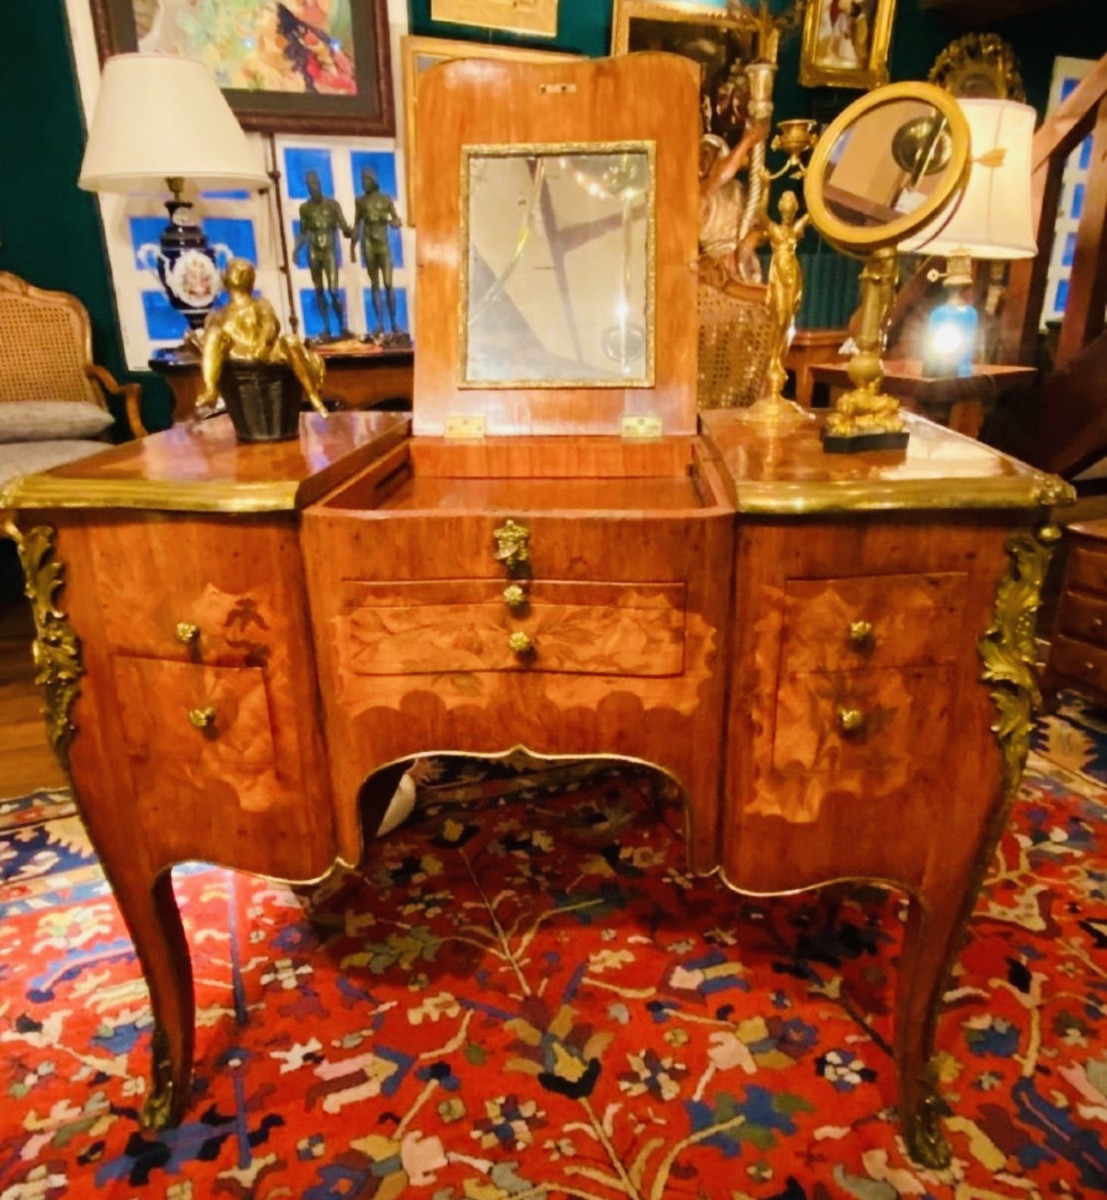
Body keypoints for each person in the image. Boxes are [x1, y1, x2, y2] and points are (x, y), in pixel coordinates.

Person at [196, 258, 328, 417]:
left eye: (245, 270)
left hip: (265, 351)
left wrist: (262, 345)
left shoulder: (260, 304)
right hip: (237, 354)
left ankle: (313, 395)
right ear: (225, 278)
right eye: (235, 269)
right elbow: (208, 346)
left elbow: (270, 325)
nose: (241, 272)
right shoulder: (216, 316)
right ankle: (211, 389)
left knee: (291, 340)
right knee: (214, 333)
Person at [698, 118, 770, 283]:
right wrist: (747, 140)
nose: (703, 160)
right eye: (702, 154)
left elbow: (762, 227)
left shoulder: (737, 189)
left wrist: (753, 237)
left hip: (744, 263)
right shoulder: (701, 192)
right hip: (717, 267)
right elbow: (721, 176)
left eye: (709, 153)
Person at [293, 169, 353, 341]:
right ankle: (326, 327)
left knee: (333, 290)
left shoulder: (333, 205)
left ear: (320, 184)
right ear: (307, 188)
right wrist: (296, 250)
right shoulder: (305, 208)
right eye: (310, 185)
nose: (314, 187)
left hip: (329, 249)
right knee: (318, 290)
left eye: (316, 184)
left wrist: (350, 232)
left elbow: (343, 227)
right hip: (313, 249)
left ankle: (342, 326)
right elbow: (303, 232)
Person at [350, 166, 406, 342]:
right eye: (361, 180)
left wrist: (394, 222)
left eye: (365, 180)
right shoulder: (360, 202)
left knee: (388, 283)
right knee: (375, 284)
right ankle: (380, 324)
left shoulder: (386, 199)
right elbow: (357, 225)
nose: (363, 183)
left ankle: (394, 323)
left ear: (372, 181)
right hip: (368, 244)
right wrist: (352, 247)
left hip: (383, 243)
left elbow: (397, 220)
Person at [763, 189, 811, 378]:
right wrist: (766, 187)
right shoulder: (774, 230)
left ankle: (780, 360)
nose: (789, 213)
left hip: (792, 275)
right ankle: (773, 357)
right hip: (779, 278)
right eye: (786, 208)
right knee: (780, 317)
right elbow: (761, 213)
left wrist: (811, 186)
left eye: (792, 209)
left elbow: (811, 215)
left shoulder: (795, 231)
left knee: (788, 319)